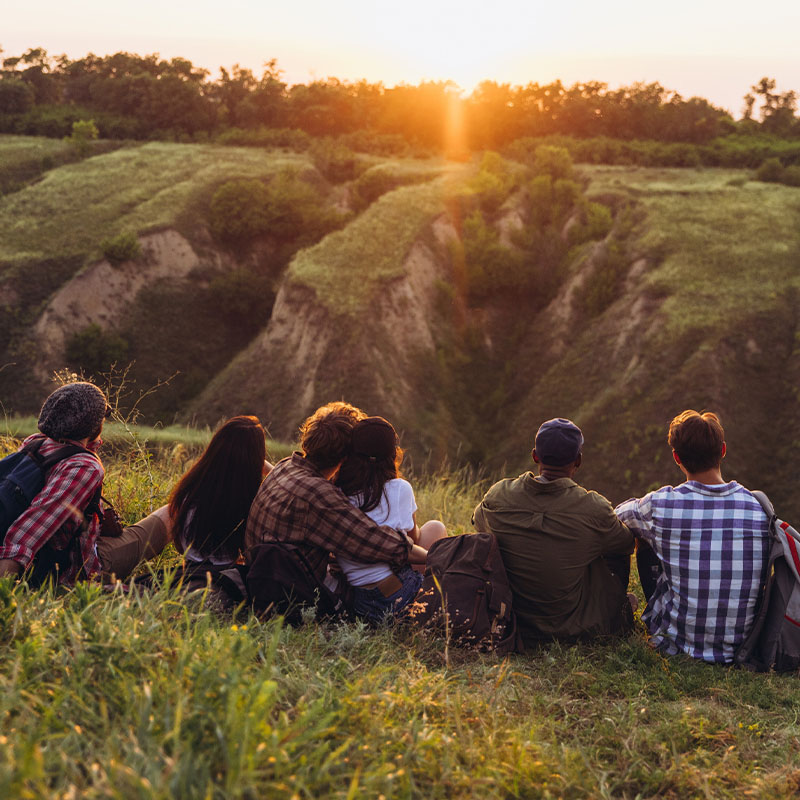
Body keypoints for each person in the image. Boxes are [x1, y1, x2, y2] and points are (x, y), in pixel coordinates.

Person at [615, 410, 770, 664]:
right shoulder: (757, 507)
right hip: (743, 647)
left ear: (677, 457)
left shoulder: (662, 505)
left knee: (644, 534)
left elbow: (615, 516)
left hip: (676, 645)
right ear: (723, 451)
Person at [472, 417, 634, 645]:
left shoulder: (499, 494)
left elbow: (477, 523)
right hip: (572, 628)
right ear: (578, 460)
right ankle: (617, 610)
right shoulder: (593, 508)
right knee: (613, 549)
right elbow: (626, 543)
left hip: (512, 618)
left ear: (535, 456)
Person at [0, 381, 170, 585]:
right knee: (173, 512)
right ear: (95, 426)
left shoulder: (35, 443)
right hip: (72, 571)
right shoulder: (84, 467)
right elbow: (28, 529)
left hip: (46, 552)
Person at [245, 402, 412, 602]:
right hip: (295, 592)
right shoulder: (319, 495)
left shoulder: (285, 467)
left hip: (262, 576)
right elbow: (379, 544)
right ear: (348, 453)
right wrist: (437, 555)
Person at [334, 416, 446, 621]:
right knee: (435, 528)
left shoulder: (337, 491)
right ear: (392, 454)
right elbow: (413, 538)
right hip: (396, 596)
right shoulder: (399, 489)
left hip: (358, 601)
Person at [169, 415, 272, 569]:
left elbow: (179, 545)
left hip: (189, 569)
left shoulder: (192, 486)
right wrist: (263, 464)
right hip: (224, 578)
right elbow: (286, 483)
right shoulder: (249, 500)